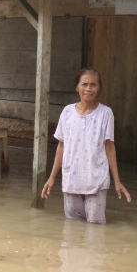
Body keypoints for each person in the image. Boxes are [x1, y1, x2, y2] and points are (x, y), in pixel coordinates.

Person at [42, 68, 131, 225]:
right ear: (77, 87)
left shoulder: (105, 113)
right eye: (84, 84)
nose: (88, 89)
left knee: (96, 228)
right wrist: (52, 177)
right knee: (72, 228)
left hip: (96, 178)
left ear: (99, 88)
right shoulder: (67, 112)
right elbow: (62, 146)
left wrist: (117, 180)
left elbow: (109, 147)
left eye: (93, 85)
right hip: (71, 178)